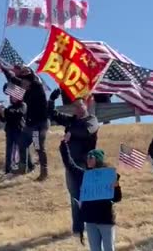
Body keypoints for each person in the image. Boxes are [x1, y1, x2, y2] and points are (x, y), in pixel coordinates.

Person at [48, 88, 99, 236]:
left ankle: (93, 226)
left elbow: (87, 131)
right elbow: (53, 114)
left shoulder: (92, 120)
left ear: (85, 106)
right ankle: (78, 229)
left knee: (89, 195)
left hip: (86, 164)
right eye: (75, 106)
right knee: (74, 196)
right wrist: (52, 100)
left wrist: (70, 132)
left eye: (79, 105)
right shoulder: (72, 120)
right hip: (71, 164)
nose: (77, 108)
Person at [59, 133, 121, 251]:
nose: (88, 160)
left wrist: (116, 187)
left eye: (91, 157)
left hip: (105, 219)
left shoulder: (109, 176)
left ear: (97, 159)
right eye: (87, 157)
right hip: (90, 220)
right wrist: (64, 145)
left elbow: (117, 198)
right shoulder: (84, 176)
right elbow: (69, 164)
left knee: (109, 248)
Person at [1, 64, 49, 181]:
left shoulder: (37, 87)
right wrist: (4, 69)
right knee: (21, 143)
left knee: (38, 147)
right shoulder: (23, 90)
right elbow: (10, 83)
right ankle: (23, 167)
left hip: (39, 124)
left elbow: (21, 81)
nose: (22, 83)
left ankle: (44, 171)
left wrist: (21, 74)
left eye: (25, 80)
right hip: (30, 124)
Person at [0, 84, 31, 174]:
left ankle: (28, 167)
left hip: (19, 131)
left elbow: (18, 114)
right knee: (9, 151)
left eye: (15, 95)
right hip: (9, 131)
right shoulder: (9, 107)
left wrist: (5, 111)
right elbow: (4, 119)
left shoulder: (23, 105)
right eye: (11, 96)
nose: (13, 97)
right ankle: (8, 170)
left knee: (23, 151)